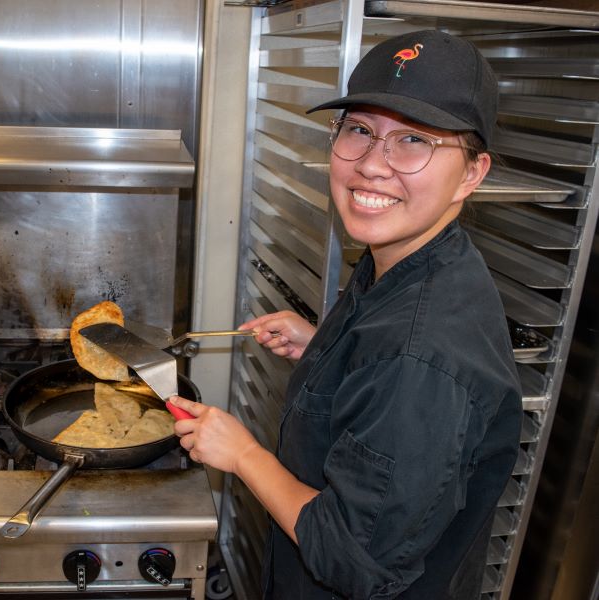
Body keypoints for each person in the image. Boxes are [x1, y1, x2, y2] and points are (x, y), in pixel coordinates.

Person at [169, 29, 523, 599]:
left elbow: (351, 558)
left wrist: (242, 454)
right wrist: (324, 350)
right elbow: (389, 390)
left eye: (414, 140)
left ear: (472, 173)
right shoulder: (410, 260)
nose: (373, 166)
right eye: (360, 130)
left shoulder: (420, 358)